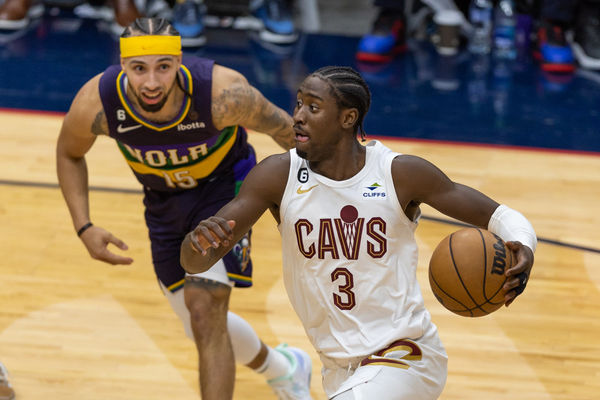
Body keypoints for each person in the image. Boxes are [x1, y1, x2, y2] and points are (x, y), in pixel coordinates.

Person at [180, 65, 537, 399]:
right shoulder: (277, 175)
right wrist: (199, 242)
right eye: (299, 103)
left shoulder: (399, 174)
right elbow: (195, 262)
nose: (299, 115)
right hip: (338, 369)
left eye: (314, 107)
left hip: (406, 355)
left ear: (348, 118)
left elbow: (502, 216)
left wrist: (524, 245)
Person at [56, 17, 312, 400]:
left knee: (205, 309)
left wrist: (323, 193)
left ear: (179, 62)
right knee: (198, 320)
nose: (152, 82)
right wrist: (84, 226)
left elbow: (287, 131)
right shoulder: (99, 103)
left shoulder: (222, 94)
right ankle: (285, 368)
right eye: (139, 69)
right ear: (123, 66)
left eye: (163, 67)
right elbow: (69, 153)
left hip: (225, 190)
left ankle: (282, 371)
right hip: (163, 202)